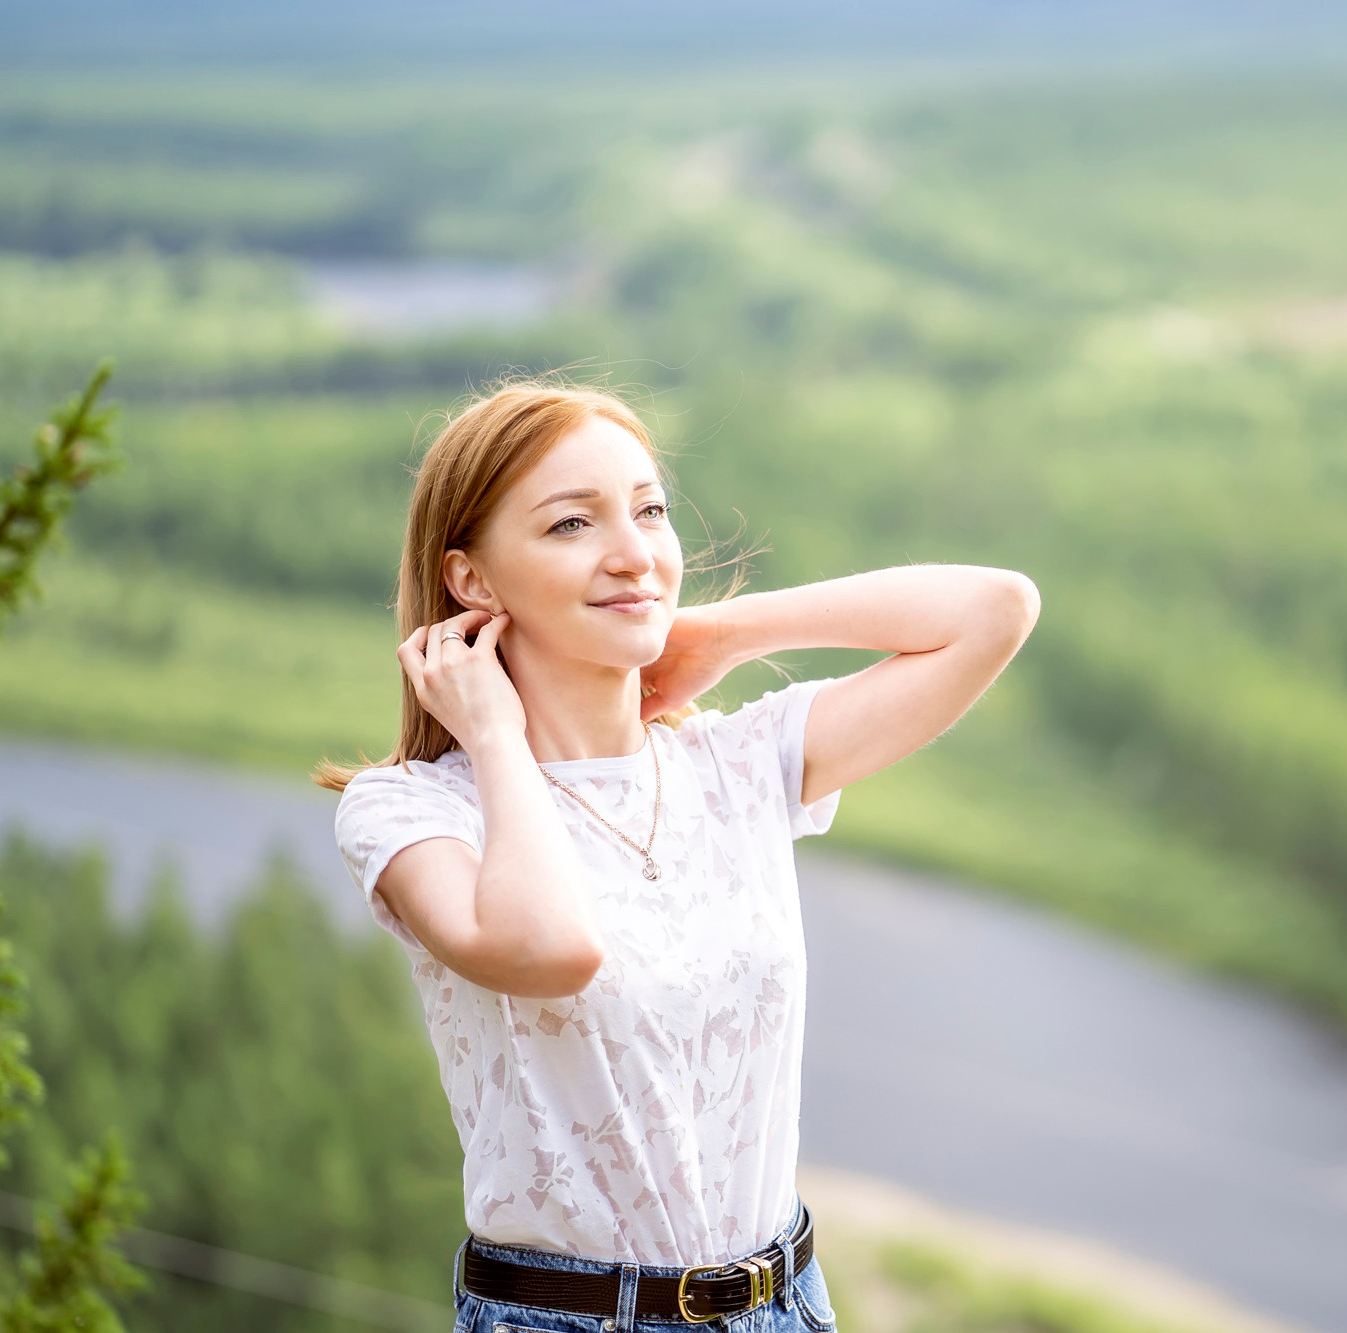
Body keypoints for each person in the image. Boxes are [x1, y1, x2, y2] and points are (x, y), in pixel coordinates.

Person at [319, 380, 1040, 1331]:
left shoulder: (739, 762)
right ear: (474, 581)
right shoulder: (413, 809)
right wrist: (493, 733)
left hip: (787, 1301)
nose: (633, 551)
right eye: (572, 523)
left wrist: (715, 631)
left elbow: (995, 608)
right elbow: (551, 949)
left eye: (650, 511)